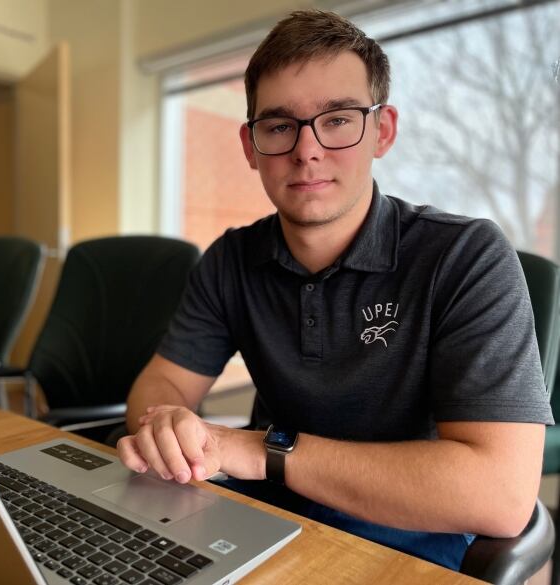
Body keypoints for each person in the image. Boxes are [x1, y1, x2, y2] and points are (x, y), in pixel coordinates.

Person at [116, 8, 553, 571]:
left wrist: (256, 449)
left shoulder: (465, 256)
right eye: (278, 126)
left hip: (404, 532)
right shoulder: (230, 259)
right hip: (261, 516)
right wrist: (167, 423)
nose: (307, 151)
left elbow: (500, 496)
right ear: (251, 147)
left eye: (338, 119)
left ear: (383, 131)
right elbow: (164, 380)